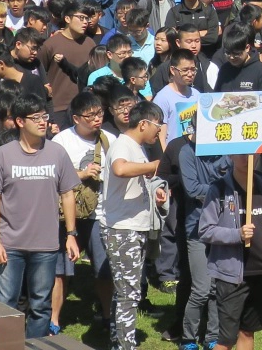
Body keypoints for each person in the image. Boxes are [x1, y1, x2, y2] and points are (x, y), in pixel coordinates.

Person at [0, 93, 81, 339]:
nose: (42, 122)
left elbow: (68, 194)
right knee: (4, 304)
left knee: (41, 305)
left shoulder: (57, 153)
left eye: (44, 116)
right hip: (9, 244)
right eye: (35, 117)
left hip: (46, 245)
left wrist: (71, 234)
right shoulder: (2, 155)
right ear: (19, 121)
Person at [197, 153, 262, 350]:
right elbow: (205, 230)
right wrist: (237, 234)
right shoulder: (218, 189)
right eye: (241, 154)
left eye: (251, 154)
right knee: (226, 339)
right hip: (230, 276)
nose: (247, 158)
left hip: (258, 271)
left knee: (248, 332)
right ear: (231, 155)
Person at [101, 102, 168, 350]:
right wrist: (153, 166)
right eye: (157, 126)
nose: (159, 131)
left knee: (124, 291)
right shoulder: (123, 145)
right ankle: (125, 345)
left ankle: (118, 342)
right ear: (143, 124)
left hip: (132, 227)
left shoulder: (137, 147)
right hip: (122, 229)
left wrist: (154, 192)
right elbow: (120, 169)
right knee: (128, 293)